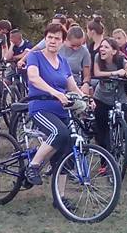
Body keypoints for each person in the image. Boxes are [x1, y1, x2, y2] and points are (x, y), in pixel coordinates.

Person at [22, 23, 84, 186]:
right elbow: (34, 78)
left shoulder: (63, 62)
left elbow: (73, 87)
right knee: (59, 133)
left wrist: (86, 98)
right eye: (49, 37)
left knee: (66, 149)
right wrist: (55, 93)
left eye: (57, 38)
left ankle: (60, 196)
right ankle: (33, 166)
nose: (52, 41)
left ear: (63, 42)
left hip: (62, 110)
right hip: (40, 107)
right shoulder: (35, 56)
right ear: (45, 38)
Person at [93, 37, 127, 180]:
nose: (102, 49)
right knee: (102, 133)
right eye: (101, 46)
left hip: (119, 100)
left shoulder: (121, 60)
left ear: (114, 51)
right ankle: (104, 163)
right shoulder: (98, 58)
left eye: (106, 47)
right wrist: (115, 73)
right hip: (101, 99)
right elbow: (97, 74)